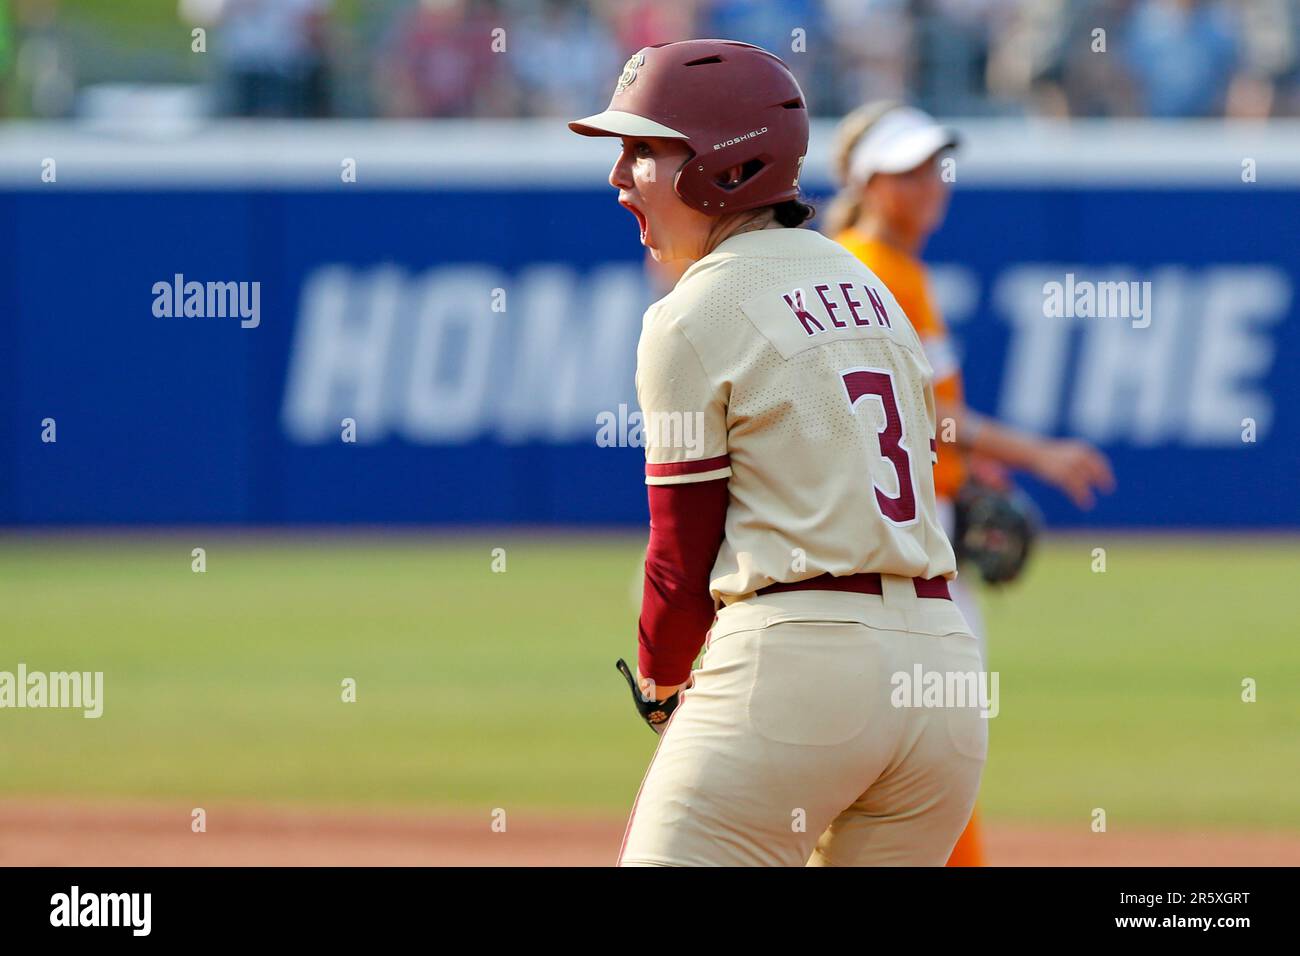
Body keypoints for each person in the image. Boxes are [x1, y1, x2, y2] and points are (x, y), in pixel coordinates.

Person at [570, 39, 986, 867]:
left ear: (724, 168)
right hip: (944, 674)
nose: (619, 178)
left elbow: (679, 556)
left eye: (643, 150)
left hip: (802, 663)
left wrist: (659, 682)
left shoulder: (694, 312)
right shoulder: (869, 284)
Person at [825, 101, 1116, 865]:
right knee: (936, 743)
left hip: (915, 529)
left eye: (934, 164)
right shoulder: (868, 266)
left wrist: (964, 467)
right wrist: (1039, 455)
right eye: (909, 169)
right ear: (869, 181)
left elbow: (917, 420)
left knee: (926, 740)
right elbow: (922, 414)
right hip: (903, 542)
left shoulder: (890, 266)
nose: (931, 181)